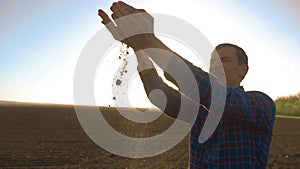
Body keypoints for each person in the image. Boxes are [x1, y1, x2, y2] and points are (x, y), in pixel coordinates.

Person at [98, 1, 276, 168]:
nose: (215, 66)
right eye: (212, 61)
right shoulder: (200, 110)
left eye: (225, 60)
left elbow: (207, 90)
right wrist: (139, 47)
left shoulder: (261, 105)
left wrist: (149, 41)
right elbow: (159, 94)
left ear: (243, 70)